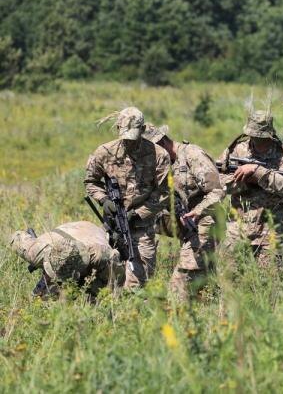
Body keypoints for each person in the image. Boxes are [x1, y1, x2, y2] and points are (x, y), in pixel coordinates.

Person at [85, 107, 170, 288]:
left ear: (144, 129)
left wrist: (139, 213)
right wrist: (104, 200)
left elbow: (163, 193)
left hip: (142, 227)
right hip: (113, 224)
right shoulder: (104, 152)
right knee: (108, 276)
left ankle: (137, 311)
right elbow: (91, 181)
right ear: (118, 130)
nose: (129, 143)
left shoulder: (159, 155)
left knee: (141, 280)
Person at [142, 124, 225, 300]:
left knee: (180, 283)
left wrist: (197, 210)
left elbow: (217, 190)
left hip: (205, 222)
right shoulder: (163, 165)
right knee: (203, 285)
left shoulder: (192, 155)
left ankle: (176, 316)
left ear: (162, 142)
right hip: (187, 227)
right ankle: (215, 314)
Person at [217, 109, 283, 268]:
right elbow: (219, 182)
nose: (256, 139)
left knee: (270, 283)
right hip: (237, 229)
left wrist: (257, 172)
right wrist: (244, 180)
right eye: (253, 135)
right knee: (229, 279)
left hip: (271, 231)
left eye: (260, 136)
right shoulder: (236, 149)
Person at [9, 221, 124, 297]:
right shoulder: (36, 251)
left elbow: (119, 282)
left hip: (90, 231)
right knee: (47, 295)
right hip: (68, 230)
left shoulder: (102, 256)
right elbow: (16, 237)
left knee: (97, 296)